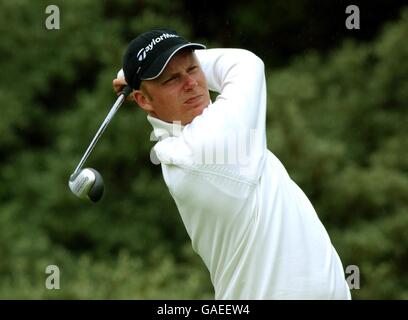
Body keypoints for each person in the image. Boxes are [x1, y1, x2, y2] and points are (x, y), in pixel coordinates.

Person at [113, 28, 351, 300]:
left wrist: (136, 76)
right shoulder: (205, 147)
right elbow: (246, 64)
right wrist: (128, 75)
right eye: (171, 80)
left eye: (193, 68)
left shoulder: (179, 144)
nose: (191, 83)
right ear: (143, 100)